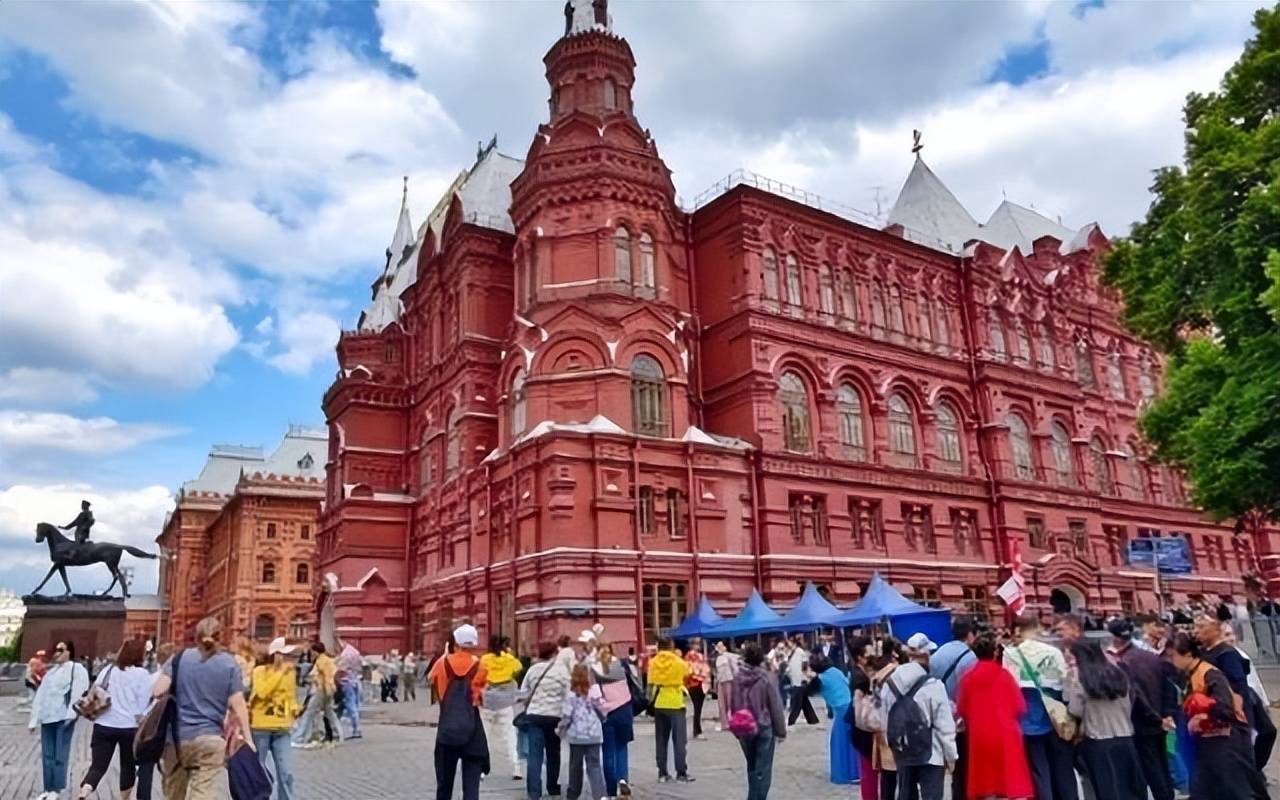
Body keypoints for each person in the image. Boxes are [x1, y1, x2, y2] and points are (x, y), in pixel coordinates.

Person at [151, 616, 254, 800]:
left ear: (196, 637)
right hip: (211, 739)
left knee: (173, 793)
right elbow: (238, 703)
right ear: (220, 637)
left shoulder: (179, 659)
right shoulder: (230, 663)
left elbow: (157, 691)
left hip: (177, 739)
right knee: (203, 792)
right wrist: (248, 738)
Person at [1170, 632, 1268, 800]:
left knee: (1234, 791)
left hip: (1226, 743)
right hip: (1209, 744)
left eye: (1173, 655)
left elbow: (1225, 708)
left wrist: (1202, 717)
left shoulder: (1209, 673)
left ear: (1187, 654)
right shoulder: (1191, 674)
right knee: (1205, 790)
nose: (1172, 660)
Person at [1004, 615, 1078, 800]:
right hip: (1056, 715)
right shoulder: (1052, 652)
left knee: (1038, 769)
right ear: (1037, 627)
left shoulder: (1010, 654)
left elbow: (1009, 686)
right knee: (1063, 767)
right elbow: (1065, 682)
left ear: (1018, 630)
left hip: (1027, 717)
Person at [956, 634, 1034, 800]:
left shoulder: (967, 678)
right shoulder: (1004, 675)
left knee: (985, 780)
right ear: (995, 652)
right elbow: (1020, 706)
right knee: (1010, 778)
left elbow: (962, 708)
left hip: (979, 733)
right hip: (1006, 731)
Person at [1105, 619, 1176, 800]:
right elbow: (1169, 686)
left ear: (1115, 638)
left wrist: (1155, 718)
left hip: (1142, 723)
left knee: (1150, 768)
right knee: (1162, 764)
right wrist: (1167, 715)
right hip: (1159, 719)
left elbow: (1136, 696)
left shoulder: (1124, 662)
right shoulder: (1151, 657)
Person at [1064, 640, 1145, 800]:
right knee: (1129, 786)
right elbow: (1130, 701)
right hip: (1125, 735)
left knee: (1106, 787)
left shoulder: (1080, 678)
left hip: (1097, 739)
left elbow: (1075, 710)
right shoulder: (1118, 674)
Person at [879, 635, 956, 800]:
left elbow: (885, 718)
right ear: (927, 655)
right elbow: (945, 727)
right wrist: (951, 757)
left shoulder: (890, 683)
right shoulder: (934, 685)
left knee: (906, 794)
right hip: (932, 753)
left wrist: (894, 745)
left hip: (903, 750)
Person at [76, 639, 152, 800]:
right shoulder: (143, 675)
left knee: (98, 766)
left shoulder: (108, 670)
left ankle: (86, 789)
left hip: (103, 724)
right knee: (128, 766)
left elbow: (94, 690)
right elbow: (143, 704)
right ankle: (124, 798)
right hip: (129, 727)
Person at [427, 624, 490, 800]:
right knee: (471, 786)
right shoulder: (480, 665)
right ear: (474, 644)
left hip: (447, 728)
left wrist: (446, 655)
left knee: (444, 785)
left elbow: (431, 683)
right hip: (472, 729)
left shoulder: (442, 663)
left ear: (455, 642)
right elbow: (482, 697)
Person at [29, 639, 90, 800]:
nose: (57, 653)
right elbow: (41, 695)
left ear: (69, 652)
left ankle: (56, 788)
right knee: (47, 754)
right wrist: (34, 719)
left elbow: (79, 692)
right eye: (56, 650)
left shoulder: (76, 669)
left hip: (64, 717)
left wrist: (71, 714)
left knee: (60, 754)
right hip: (47, 717)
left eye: (61, 650)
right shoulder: (51, 672)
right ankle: (48, 787)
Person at [929, 620, 977, 800]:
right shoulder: (970, 658)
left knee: (945, 761)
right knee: (962, 763)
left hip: (940, 715)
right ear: (970, 634)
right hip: (961, 718)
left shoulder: (938, 654)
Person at [731, 643, 786, 800]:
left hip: (744, 726)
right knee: (763, 768)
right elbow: (775, 706)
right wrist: (781, 731)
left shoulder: (737, 678)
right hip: (763, 725)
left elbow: (733, 703)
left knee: (752, 765)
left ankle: (752, 796)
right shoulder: (766, 678)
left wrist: (736, 727)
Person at [249, 637, 300, 800]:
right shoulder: (259, 671)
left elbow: (290, 695)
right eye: (286, 655)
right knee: (259, 770)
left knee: (286, 772)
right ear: (276, 654)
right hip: (261, 726)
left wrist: (294, 709)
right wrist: (279, 673)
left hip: (282, 727)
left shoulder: (290, 673)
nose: (289, 659)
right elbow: (263, 692)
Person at [520, 640, 570, 800]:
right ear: (555, 653)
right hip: (554, 717)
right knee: (553, 753)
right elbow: (568, 694)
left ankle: (534, 792)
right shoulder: (562, 671)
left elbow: (523, 692)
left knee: (534, 755)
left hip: (535, 716)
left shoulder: (533, 670)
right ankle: (553, 787)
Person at [1222, 622, 1276, 770]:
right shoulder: (1223, 657)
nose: (1230, 638)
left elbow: (1254, 679)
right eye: (1226, 635)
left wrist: (1264, 701)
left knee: (1267, 732)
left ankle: (1256, 768)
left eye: (1231, 634)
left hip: (1252, 698)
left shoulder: (1241, 654)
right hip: (1238, 702)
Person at [589, 641, 634, 798]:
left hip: (607, 714)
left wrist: (602, 710)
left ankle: (611, 789)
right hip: (625, 709)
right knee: (622, 747)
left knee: (608, 751)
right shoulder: (621, 665)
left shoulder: (594, 670)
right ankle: (622, 780)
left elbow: (594, 695)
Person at [804, 654, 858, 784]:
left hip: (840, 710)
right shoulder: (836, 671)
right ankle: (855, 772)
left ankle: (842, 774)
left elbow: (808, 692)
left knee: (839, 743)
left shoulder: (820, 679)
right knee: (852, 742)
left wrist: (806, 679)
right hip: (851, 706)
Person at [647, 636, 694, 782]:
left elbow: (650, 682)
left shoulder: (653, 662)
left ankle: (662, 772)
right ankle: (681, 772)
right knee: (679, 740)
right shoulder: (678, 662)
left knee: (661, 739)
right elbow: (688, 672)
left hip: (660, 702)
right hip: (675, 702)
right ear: (671, 646)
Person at [479, 634, 525, 780]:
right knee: (510, 736)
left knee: (484, 737)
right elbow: (519, 669)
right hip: (505, 703)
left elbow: (480, 676)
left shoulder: (485, 659)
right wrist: (508, 654)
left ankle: (481, 770)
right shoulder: (510, 660)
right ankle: (516, 768)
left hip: (488, 702)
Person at [559, 664, 607, 800]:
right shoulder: (595, 690)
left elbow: (567, 716)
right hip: (594, 734)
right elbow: (603, 710)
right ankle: (600, 795)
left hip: (576, 736)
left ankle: (573, 793)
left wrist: (561, 729)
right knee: (594, 766)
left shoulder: (571, 695)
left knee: (575, 766)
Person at [135, 642, 175, 800]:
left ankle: (143, 797)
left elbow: (145, 698)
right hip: (172, 727)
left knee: (146, 764)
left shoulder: (153, 678)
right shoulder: (179, 676)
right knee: (171, 767)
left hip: (152, 726)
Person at [847, 636, 879, 800]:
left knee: (869, 770)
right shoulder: (860, 678)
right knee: (869, 770)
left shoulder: (860, 673)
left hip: (861, 727)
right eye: (869, 656)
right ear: (860, 657)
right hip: (863, 728)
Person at [292, 641, 341, 749]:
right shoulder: (326, 660)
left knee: (309, 713)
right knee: (330, 713)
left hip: (320, 690)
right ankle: (337, 735)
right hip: (327, 690)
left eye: (312, 651)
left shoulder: (321, 661)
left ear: (315, 651)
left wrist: (324, 687)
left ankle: (299, 737)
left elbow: (325, 676)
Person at [784, 638, 818, 726]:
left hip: (800, 680)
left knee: (797, 703)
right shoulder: (790, 653)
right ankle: (812, 719)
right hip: (794, 679)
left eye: (789, 643)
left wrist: (805, 676)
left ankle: (791, 720)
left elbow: (805, 665)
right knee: (804, 701)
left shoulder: (800, 652)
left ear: (794, 643)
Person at [335, 638, 364, 739]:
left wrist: (335, 679)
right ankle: (334, 727)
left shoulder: (345, 655)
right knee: (342, 707)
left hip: (346, 682)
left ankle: (356, 729)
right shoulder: (355, 652)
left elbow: (341, 670)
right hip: (355, 680)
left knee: (350, 706)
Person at [683, 638, 711, 739]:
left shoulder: (692, 656)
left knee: (698, 708)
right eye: (696, 644)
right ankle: (697, 731)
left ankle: (697, 730)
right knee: (697, 708)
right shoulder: (692, 656)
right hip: (696, 684)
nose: (698, 646)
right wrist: (700, 672)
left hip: (697, 684)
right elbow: (694, 669)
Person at [713, 640, 739, 733]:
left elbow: (735, 668)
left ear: (725, 647)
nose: (719, 648)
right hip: (721, 682)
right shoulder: (717, 658)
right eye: (718, 646)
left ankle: (733, 722)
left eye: (721, 646)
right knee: (721, 704)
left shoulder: (730, 656)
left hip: (729, 681)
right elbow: (716, 672)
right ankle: (724, 724)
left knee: (731, 702)